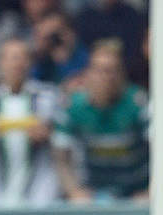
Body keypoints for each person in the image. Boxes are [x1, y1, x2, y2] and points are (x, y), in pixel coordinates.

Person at [53, 42, 149, 202]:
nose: (106, 77)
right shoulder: (72, 106)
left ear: (121, 74)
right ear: (88, 74)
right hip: (92, 195)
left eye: (112, 71)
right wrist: (74, 191)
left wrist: (150, 191)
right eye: (99, 70)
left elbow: (161, 150)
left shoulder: (139, 103)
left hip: (135, 194)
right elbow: (61, 157)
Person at [0, 38, 61, 205]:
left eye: (22, 57)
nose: (17, 64)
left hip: (40, 191)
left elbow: (63, 138)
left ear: (30, 62)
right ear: (0, 63)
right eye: (11, 58)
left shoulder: (48, 96)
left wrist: (49, 132)